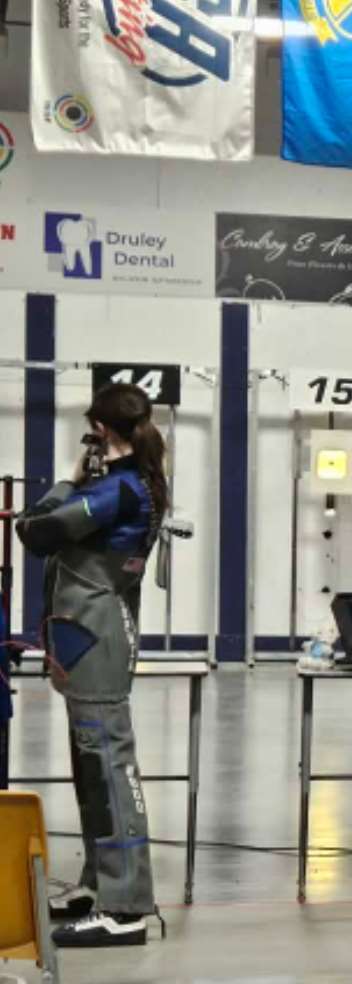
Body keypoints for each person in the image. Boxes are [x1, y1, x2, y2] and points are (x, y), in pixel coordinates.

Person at [14, 383, 171, 946]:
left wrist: (71, 478)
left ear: (101, 430)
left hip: (95, 637)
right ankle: (98, 885)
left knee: (108, 768)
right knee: (91, 768)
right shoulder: (136, 483)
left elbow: (33, 530)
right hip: (87, 635)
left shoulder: (116, 491)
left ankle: (125, 906)